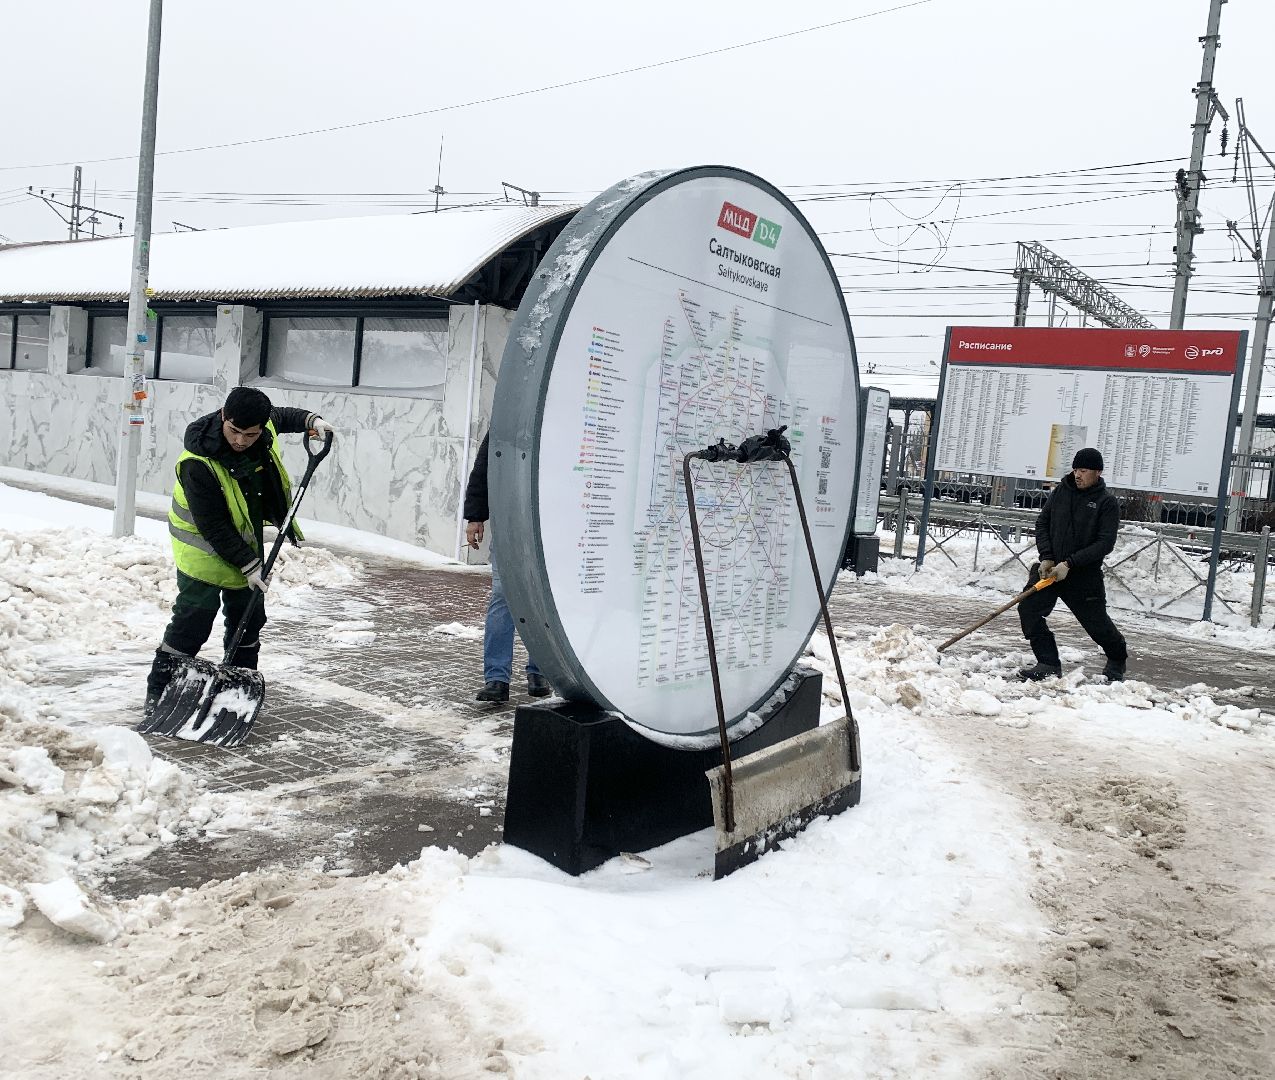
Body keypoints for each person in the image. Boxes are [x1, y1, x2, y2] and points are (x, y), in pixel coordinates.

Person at [144, 386, 335, 715]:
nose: (241, 441)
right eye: (234, 431)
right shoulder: (197, 462)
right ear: (223, 416)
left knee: (249, 619)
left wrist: (311, 421)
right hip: (202, 551)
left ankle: (236, 691)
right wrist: (250, 566)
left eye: (251, 434)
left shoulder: (262, 425)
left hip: (245, 545)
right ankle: (158, 693)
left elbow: (281, 416)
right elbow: (214, 526)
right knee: (193, 620)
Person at [1018, 447, 1128, 682]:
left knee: (1096, 624)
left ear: (1097, 472)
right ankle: (1048, 662)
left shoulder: (1106, 503)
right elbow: (1042, 523)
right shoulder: (1061, 492)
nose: (1078, 475)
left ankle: (1117, 658)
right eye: (1076, 469)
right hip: (1050, 571)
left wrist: (1070, 563)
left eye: (1084, 470)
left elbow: (1105, 543)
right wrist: (1047, 556)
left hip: (1082, 576)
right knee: (1028, 609)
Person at [463, 433, 551, 703]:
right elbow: (483, 468)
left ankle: (540, 671)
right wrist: (475, 516)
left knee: (543, 599)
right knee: (503, 596)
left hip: (549, 524)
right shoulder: (505, 421)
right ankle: (496, 679)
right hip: (509, 523)